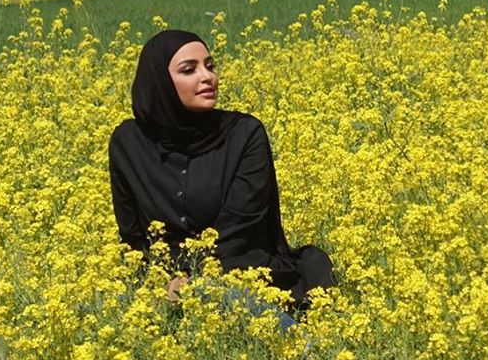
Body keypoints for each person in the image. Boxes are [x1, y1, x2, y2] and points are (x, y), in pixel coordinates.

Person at [108, 29, 335, 310]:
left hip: (237, 268)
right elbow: (132, 236)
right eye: (189, 70)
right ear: (160, 82)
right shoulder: (128, 143)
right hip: (162, 279)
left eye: (210, 66)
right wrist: (155, 283)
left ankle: (295, 342)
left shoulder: (244, 134)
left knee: (229, 300)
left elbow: (239, 229)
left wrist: (194, 280)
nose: (208, 77)